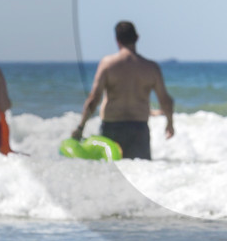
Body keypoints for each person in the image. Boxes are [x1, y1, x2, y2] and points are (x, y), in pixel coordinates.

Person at [72, 20, 174, 160]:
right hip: (139, 128)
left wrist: (81, 127)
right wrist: (170, 123)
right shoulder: (151, 68)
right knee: (140, 174)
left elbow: (94, 98)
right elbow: (165, 100)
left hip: (112, 127)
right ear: (137, 38)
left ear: (117, 40)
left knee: (113, 175)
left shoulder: (108, 64)